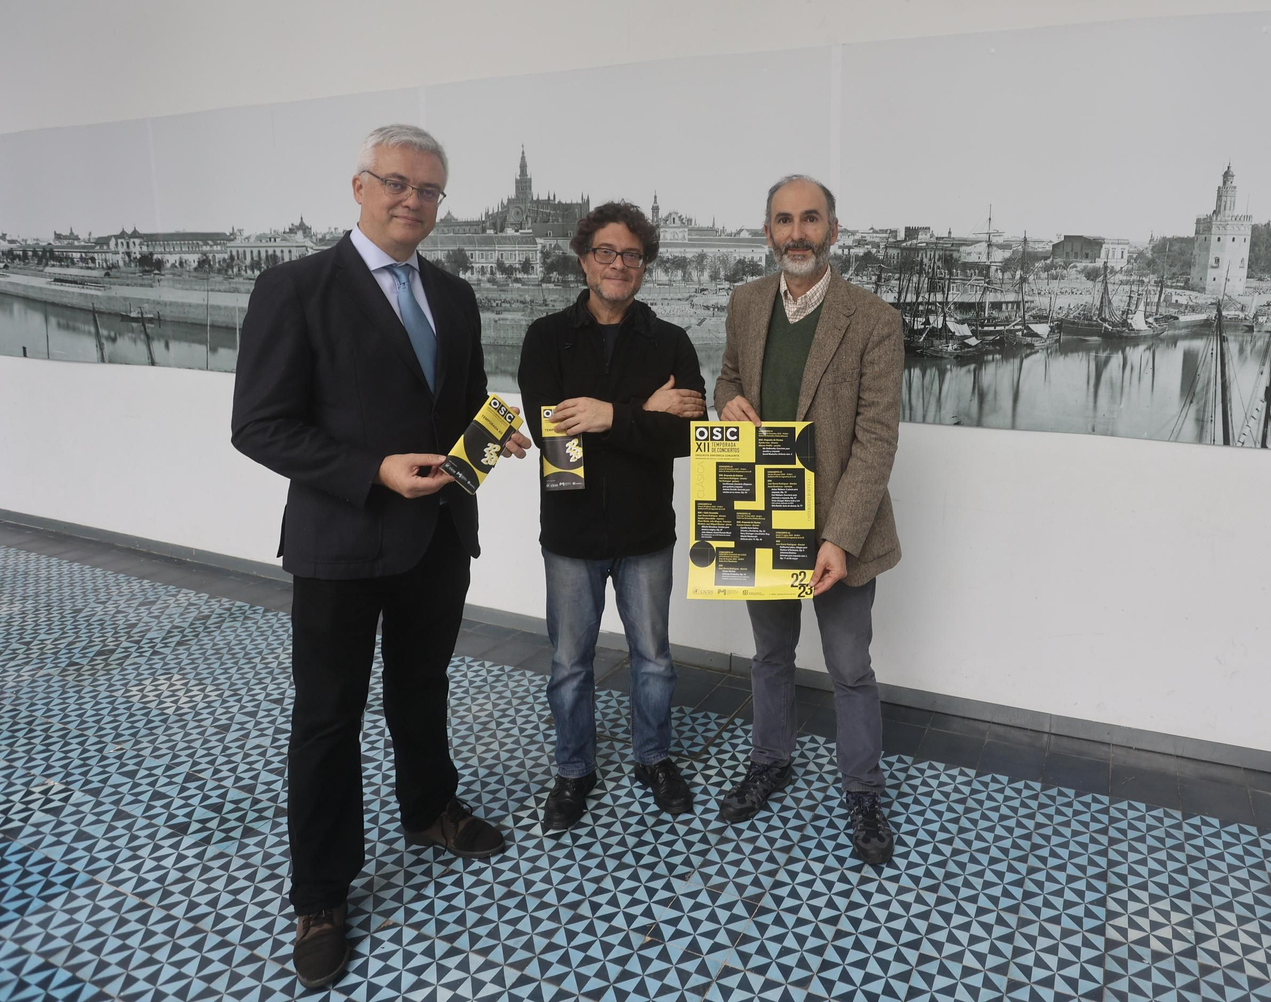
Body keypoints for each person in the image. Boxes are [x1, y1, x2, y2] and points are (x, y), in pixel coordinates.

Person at [230, 124, 529, 988]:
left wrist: (490, 427)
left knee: (422, 684)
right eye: (397, 183)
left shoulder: (455, 293)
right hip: (341, 540)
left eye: (429, 190)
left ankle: (429, 807)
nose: (413, 201)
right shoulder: (295, 287)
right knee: (327, 718)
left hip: (438, 536)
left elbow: (458, 396)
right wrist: (372, 472)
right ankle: (321, 892)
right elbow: (260, 425)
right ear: (359, 187)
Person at [714, 175, 905, 865]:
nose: (797, 232)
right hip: (763, 512)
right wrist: (727, 402)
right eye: (784, 220)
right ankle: (772, 760)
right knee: (769, 656)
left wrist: (839, 539)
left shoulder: (874, 318)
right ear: (768, 232)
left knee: (850, 668)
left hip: (839, 532)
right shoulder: (744, 303)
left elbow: (877, 440)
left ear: (832, 229)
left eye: (810, 219)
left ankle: (862, 790)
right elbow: (729, 379)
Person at [517, 201, 707, 832]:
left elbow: (688, 438)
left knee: (654, 658)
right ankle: (574, 771)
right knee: (570, 664)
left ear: (644, 265)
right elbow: (559, 446)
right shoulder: (546, 337)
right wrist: (642, 412)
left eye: (630, 254)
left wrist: (606, 415)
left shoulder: (671, 341)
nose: (618, 264)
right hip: (570, 533)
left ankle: (653, 759)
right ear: (584, 259)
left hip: (646, 531)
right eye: (606, 252)